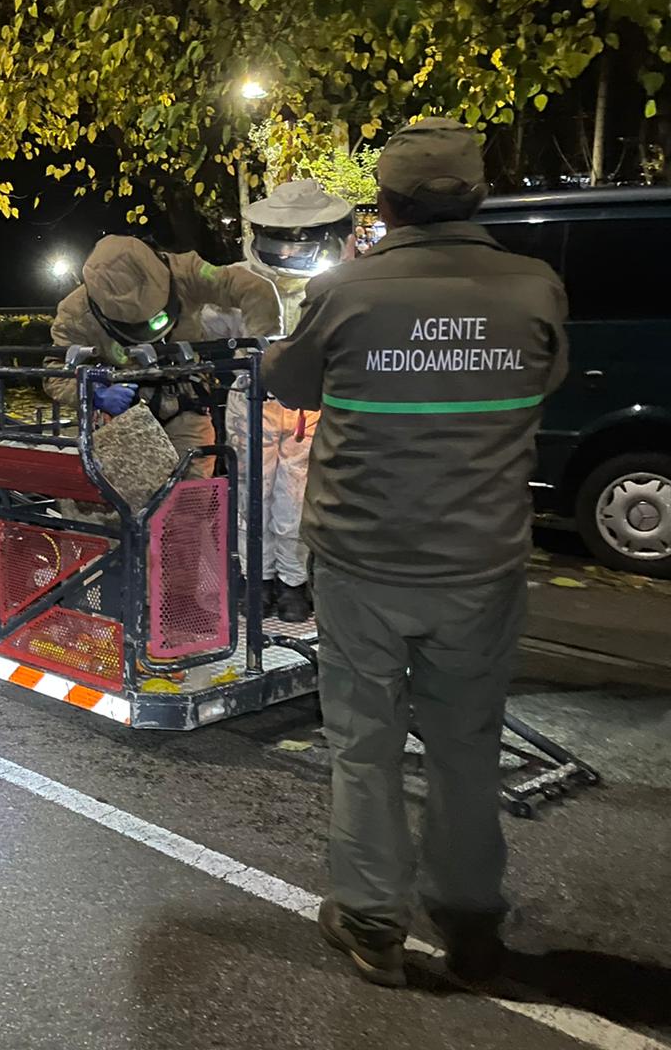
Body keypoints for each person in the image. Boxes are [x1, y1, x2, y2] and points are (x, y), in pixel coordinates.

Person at [262, 118, 568, 988]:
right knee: (466, 744)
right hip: (481, 564)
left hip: (362, 560)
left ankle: (370, 922)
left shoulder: (351, 292)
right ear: (477, 196)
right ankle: (471, 919)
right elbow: (544, 380)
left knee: (364, 742)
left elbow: (289, 384)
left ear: (386, 203)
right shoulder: (535, 287)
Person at [46, 234, 279, 477]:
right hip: (128, 418)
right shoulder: (75, 312)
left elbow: (252, 288)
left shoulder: (186, 272)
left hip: (187, 403)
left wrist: (263, 358)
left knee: (192, 496)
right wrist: (94, 394)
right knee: (136, 498)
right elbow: (54, 371)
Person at [231, 180, 354, 623]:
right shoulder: (239, 281)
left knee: (296, 497)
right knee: (252, 493)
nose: (285, 253)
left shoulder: (340, 286)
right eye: (279, 242)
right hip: (252, 399)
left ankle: (292, 583)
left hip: (308, 406)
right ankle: (256, 580)